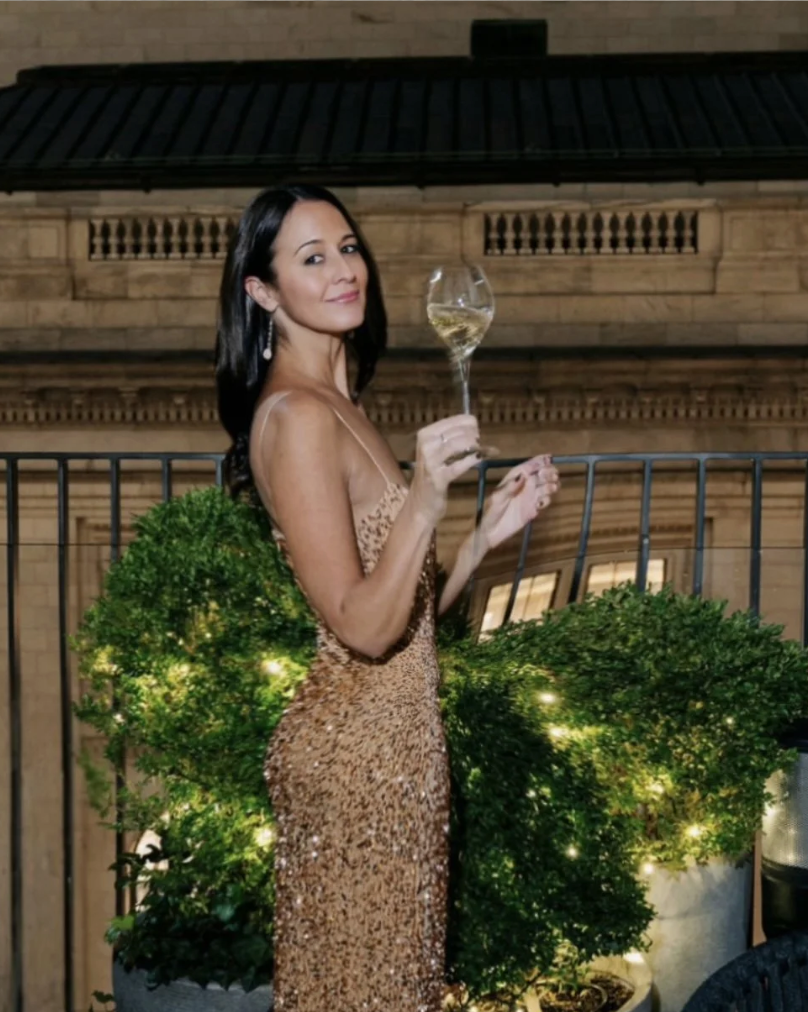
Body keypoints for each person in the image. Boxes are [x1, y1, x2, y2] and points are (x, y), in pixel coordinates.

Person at [215, 184, 559, 1012]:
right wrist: (427, 500)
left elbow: (399, 613)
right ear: (262, 292)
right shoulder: (296, 416)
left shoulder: (345, 406)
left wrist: (480, 538)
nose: (344, 270)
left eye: (348, 247)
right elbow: (361, 630)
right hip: (356, 772)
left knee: (399, 991)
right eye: (311, 258)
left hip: (402, 757)